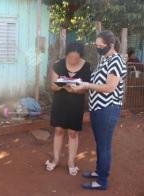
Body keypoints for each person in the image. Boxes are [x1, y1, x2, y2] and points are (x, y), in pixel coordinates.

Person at [73, 30, 127, 190]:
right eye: (96, 45)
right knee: (100, 143)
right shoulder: (105, 59)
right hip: (98, 108)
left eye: (100, 45)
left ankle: (102, 181)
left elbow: (110, 87)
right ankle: (99, 171)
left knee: (104, 145)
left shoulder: (116, 61)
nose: (98, 48)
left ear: (110, 45)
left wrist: (87, 85)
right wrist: (79, 82)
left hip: (108, 109)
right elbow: (97, 81)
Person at [45, 42, 91, 176]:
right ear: (66, 55)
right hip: (60, 103)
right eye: (70, 58)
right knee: (58, 131)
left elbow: (86, 89)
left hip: (76, 104)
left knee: (73, 133)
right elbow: (53, 86)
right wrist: (63, 86)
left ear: (80, 57)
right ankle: (55, 159)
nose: (72, 61)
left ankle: (71, 162)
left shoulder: (86, 67)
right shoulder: (58, 64)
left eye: (76, 59)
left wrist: (77, 90)